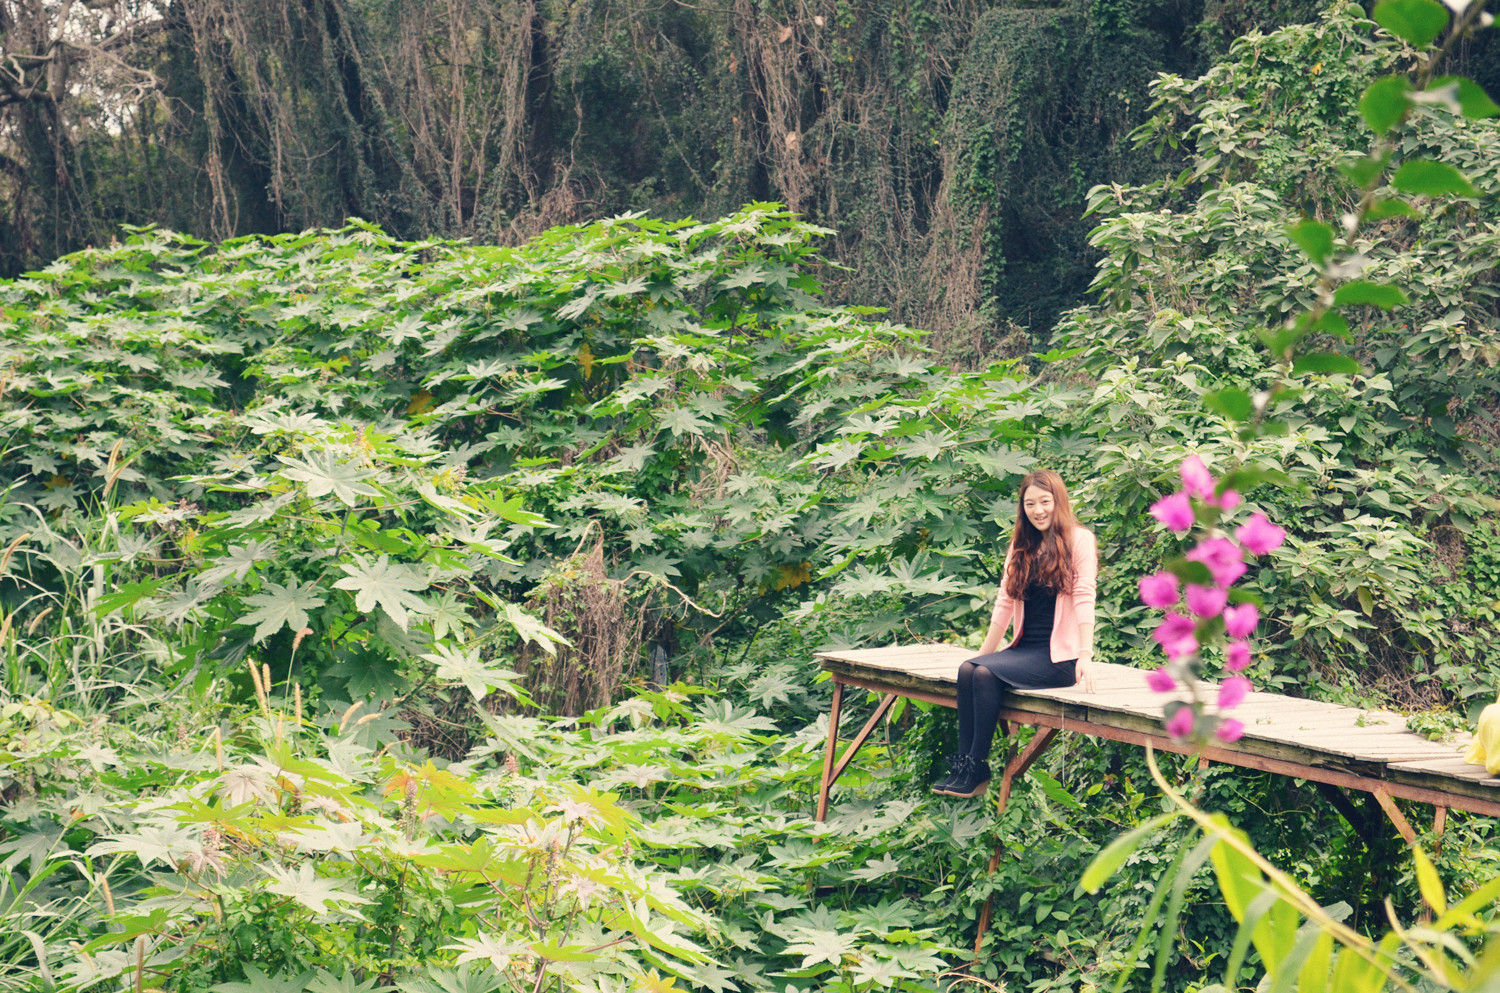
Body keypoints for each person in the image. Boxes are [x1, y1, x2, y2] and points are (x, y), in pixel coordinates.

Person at [933, 469, 1097, 798]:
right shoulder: (1021, 545)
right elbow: (1005, 603)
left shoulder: (1080, 540)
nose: (1038, 510)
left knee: (983, 676)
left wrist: (1085, 655)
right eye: (1030, 504)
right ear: (1022, 508)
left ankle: (977, 766)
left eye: (1045, 502)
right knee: (969, 669)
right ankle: (965, 766)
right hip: (1024, 649)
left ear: (1058, 502)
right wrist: (984, 652)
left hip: (1059, 658)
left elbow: (1083, 596)